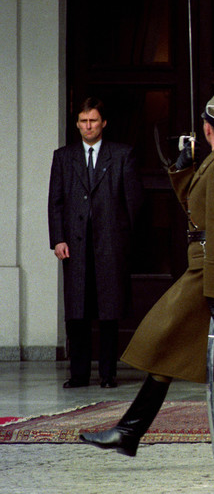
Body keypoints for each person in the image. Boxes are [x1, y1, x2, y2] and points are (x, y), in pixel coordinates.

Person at [79, 89, 214, 473]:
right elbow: (201, 208)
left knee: (170, 339)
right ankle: (130, 432)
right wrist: (183, 169)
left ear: (207, 126)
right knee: (205, 352)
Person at [48, 97, 142, 389]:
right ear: (77, 124)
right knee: (77, 311)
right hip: (74, 244)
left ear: (103, 123)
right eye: (83, 121)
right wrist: (58, 239)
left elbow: (134, 203)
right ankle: (78, 374)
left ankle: (107, 373)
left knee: (108, 310)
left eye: (93, 120)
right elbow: (56, 202)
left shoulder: (122, 154)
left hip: (109, 244)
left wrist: (125, 241)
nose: (88, 126)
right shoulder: (64, 156)